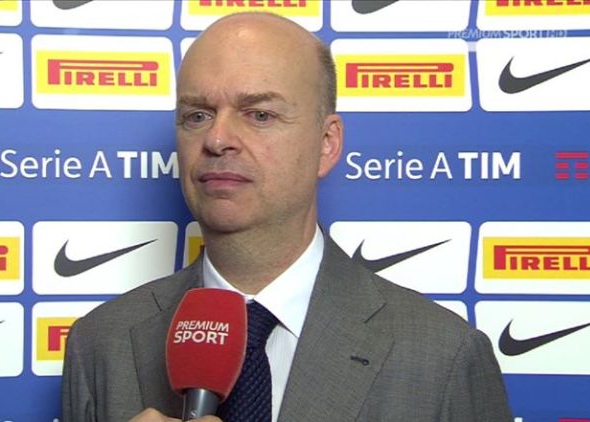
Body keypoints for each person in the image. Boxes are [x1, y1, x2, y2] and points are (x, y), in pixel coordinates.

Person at [62, 12, 512, 422]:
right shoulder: (101, 344)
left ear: (327, 143)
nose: (217, 139)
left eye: (260, 114)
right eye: (197, 115)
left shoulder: (443, 357)